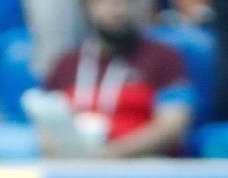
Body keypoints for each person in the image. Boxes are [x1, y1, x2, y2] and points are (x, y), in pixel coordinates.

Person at [32, 0, 196, 158]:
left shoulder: (164, 58)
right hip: (73, 169)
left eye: (126, 1)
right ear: (88, 7)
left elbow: (173, 125)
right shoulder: (66, 64)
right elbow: (45, 126)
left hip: (144, 169)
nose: (116, 8)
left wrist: (112, 155)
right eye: (105, 1)